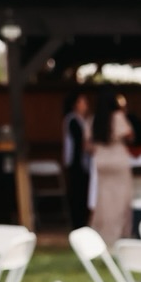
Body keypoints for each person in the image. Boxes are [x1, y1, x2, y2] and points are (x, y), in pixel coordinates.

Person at [89, 90, 135, 242]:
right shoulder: (117, 116)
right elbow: (130, 135)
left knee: (104, 200)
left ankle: (102, 234)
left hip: (101, 162)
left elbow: (87, 145)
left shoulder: (93, 120)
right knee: (121, 200)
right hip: (118, 161)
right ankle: (118, 235)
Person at [62, 90, 91, 230]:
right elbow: (80, 143)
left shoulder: (83, 120)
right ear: (75, 105)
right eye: (82, 101)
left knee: (84, 194)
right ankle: (78, 225)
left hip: (83, 163)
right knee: (77, 193)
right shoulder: (72, 120)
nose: (85, 104)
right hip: (76, 163)